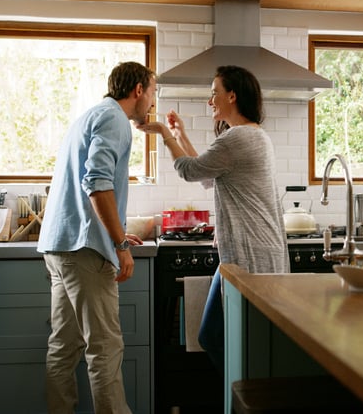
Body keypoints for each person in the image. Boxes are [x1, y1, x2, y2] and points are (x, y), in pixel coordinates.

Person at [140, 65, 290, 373]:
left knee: (234, 339)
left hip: (251, 255)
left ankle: (243, 393)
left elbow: (188, 170)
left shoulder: (238, 138)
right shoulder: (252, 136)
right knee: (216, 336)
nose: (210, 100)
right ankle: (239, 391)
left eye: (214, 93)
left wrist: (166, 134)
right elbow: (207, 175)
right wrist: (180, 135)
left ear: (231, 96)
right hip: (244, 254)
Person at [37, 61, 157, 414]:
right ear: (138, 90)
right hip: (84, 250)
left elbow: (88, 184)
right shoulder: (116, 120)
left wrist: (119, 231)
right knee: (104, 347)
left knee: (64, 346)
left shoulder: (89, 116)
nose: (151, 102)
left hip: (61, 245)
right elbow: (97, 182)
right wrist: (118, 244)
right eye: (152, 93)